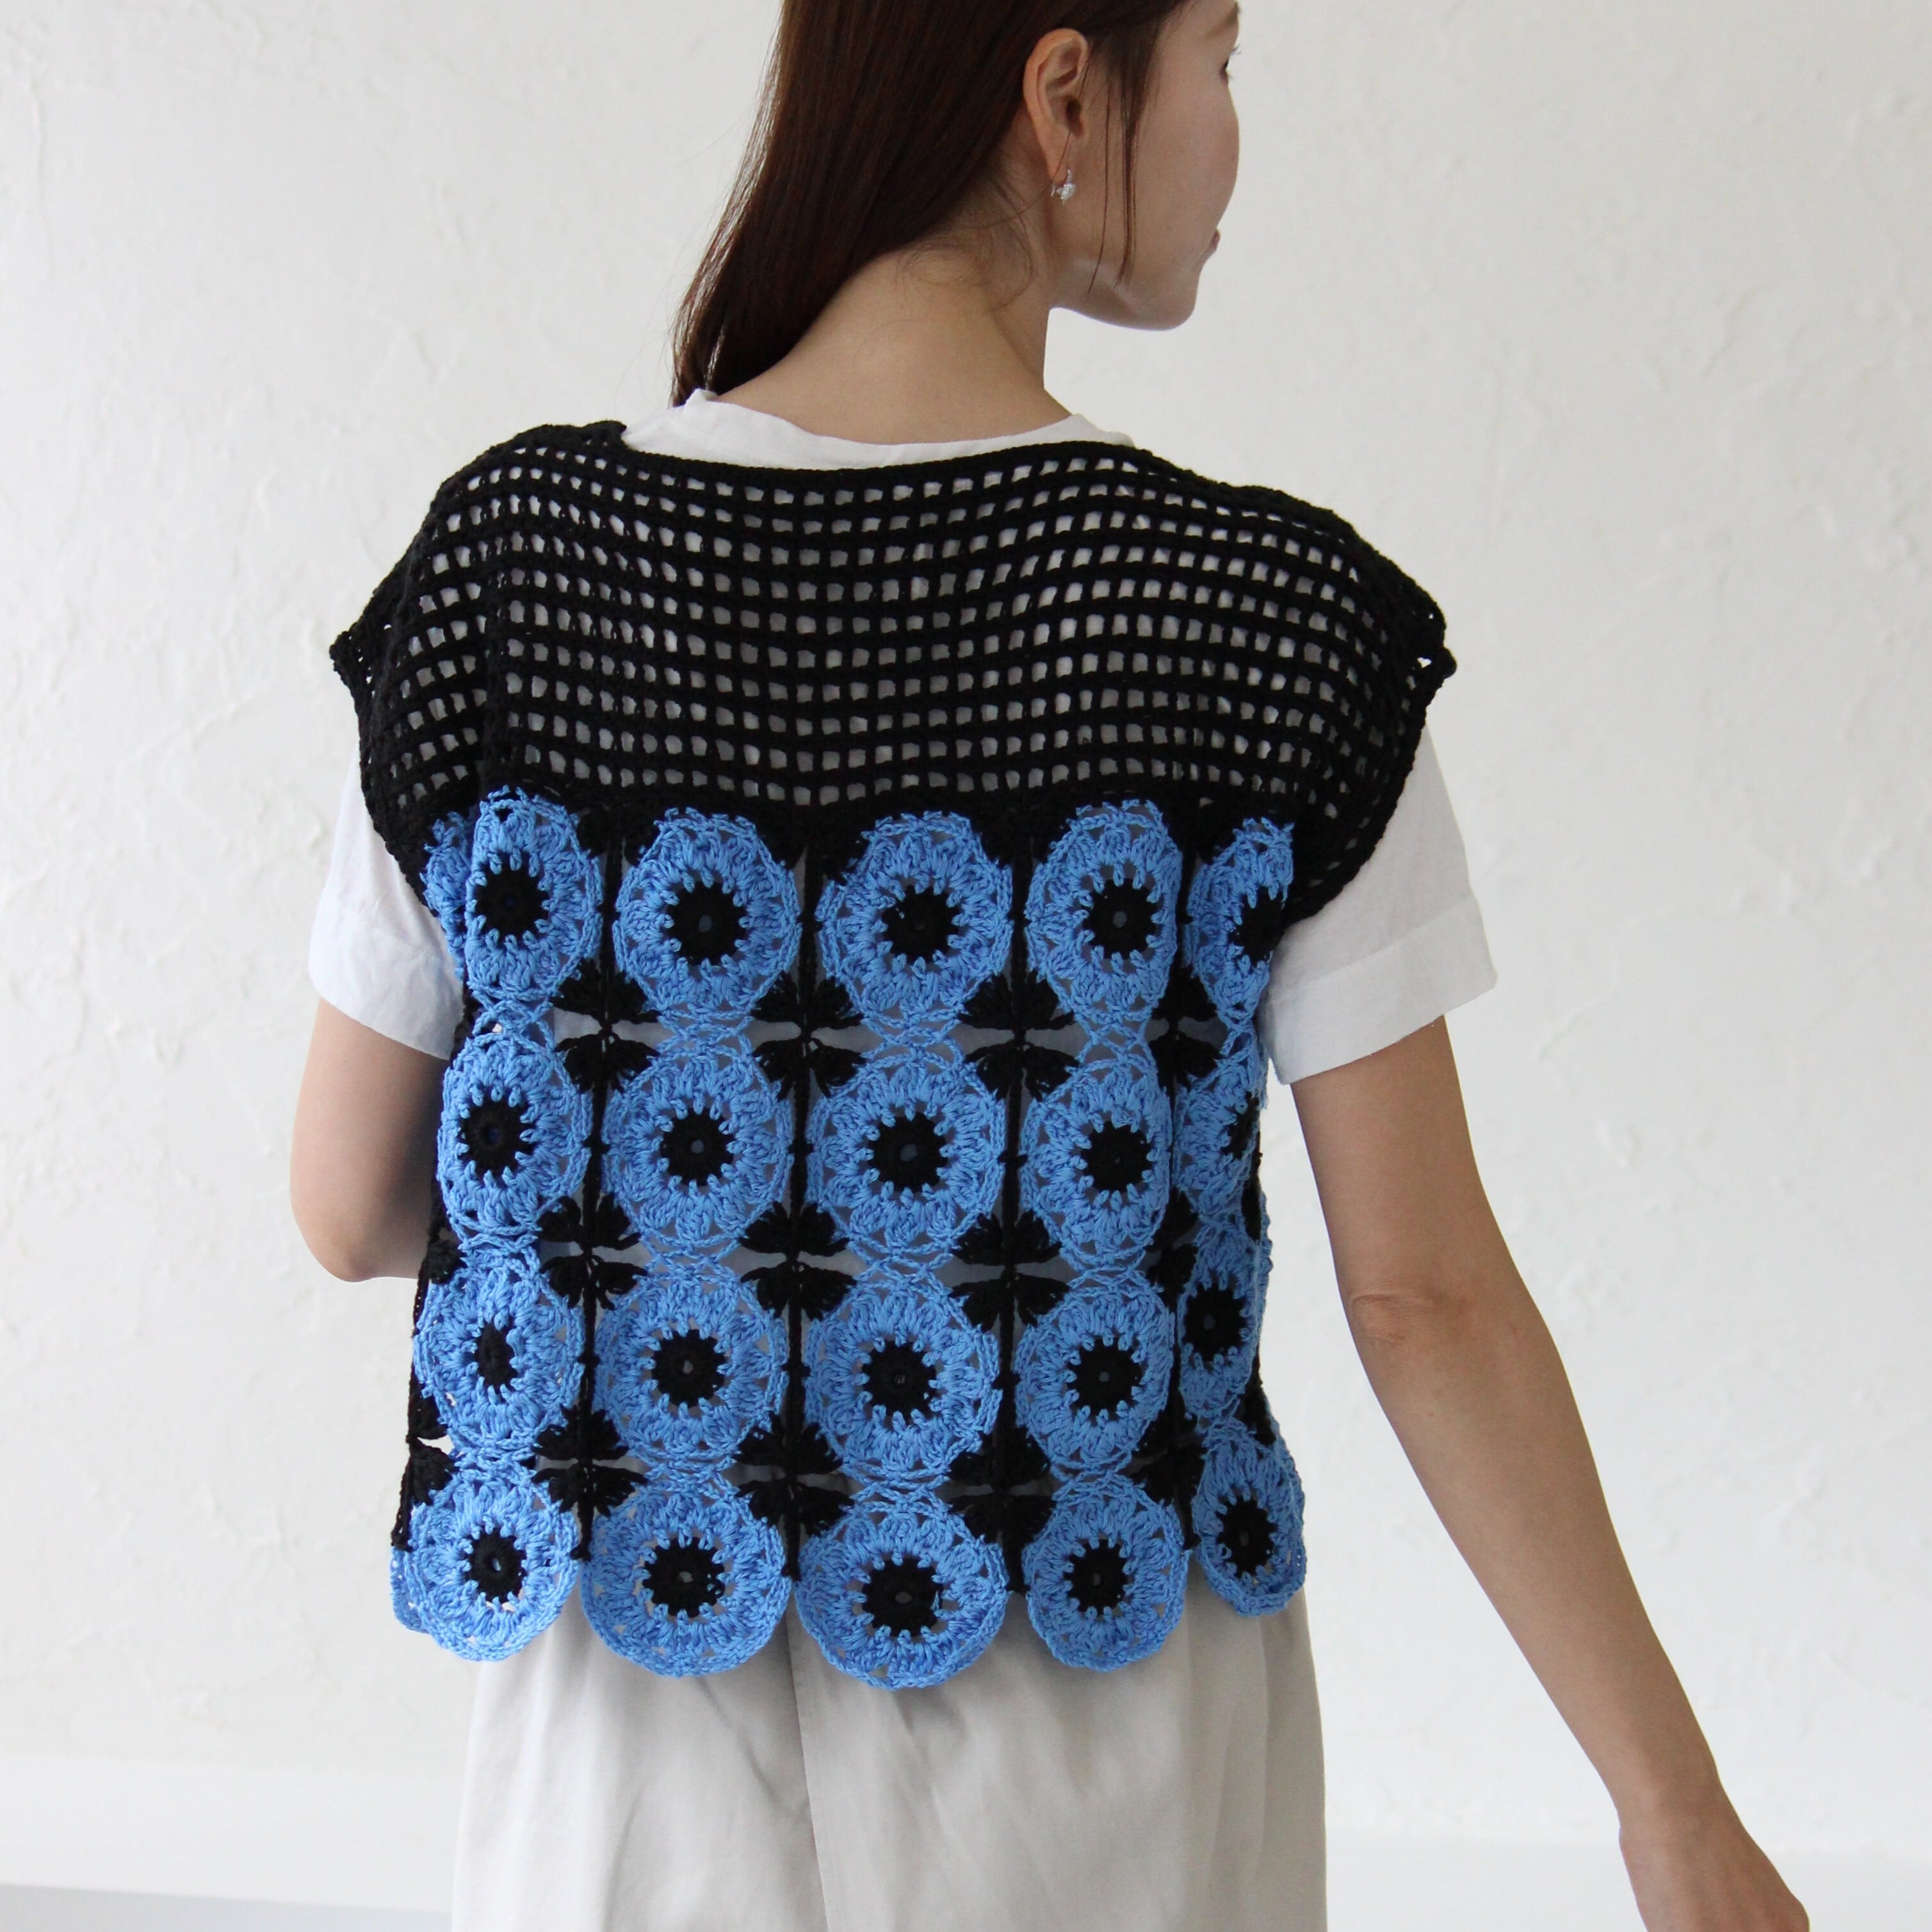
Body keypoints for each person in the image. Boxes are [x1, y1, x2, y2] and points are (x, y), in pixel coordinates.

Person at [290, 1, 1808, 1926]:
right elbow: (1422, 1295)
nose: (1237, 135)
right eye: (1227, 60)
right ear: (1066, 90)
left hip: (623, 1710)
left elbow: (347, 1203)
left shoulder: (513, 577)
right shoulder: (1262, 631)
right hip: (1100, 1712)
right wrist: (1674, 1811)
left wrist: (710, 1228)